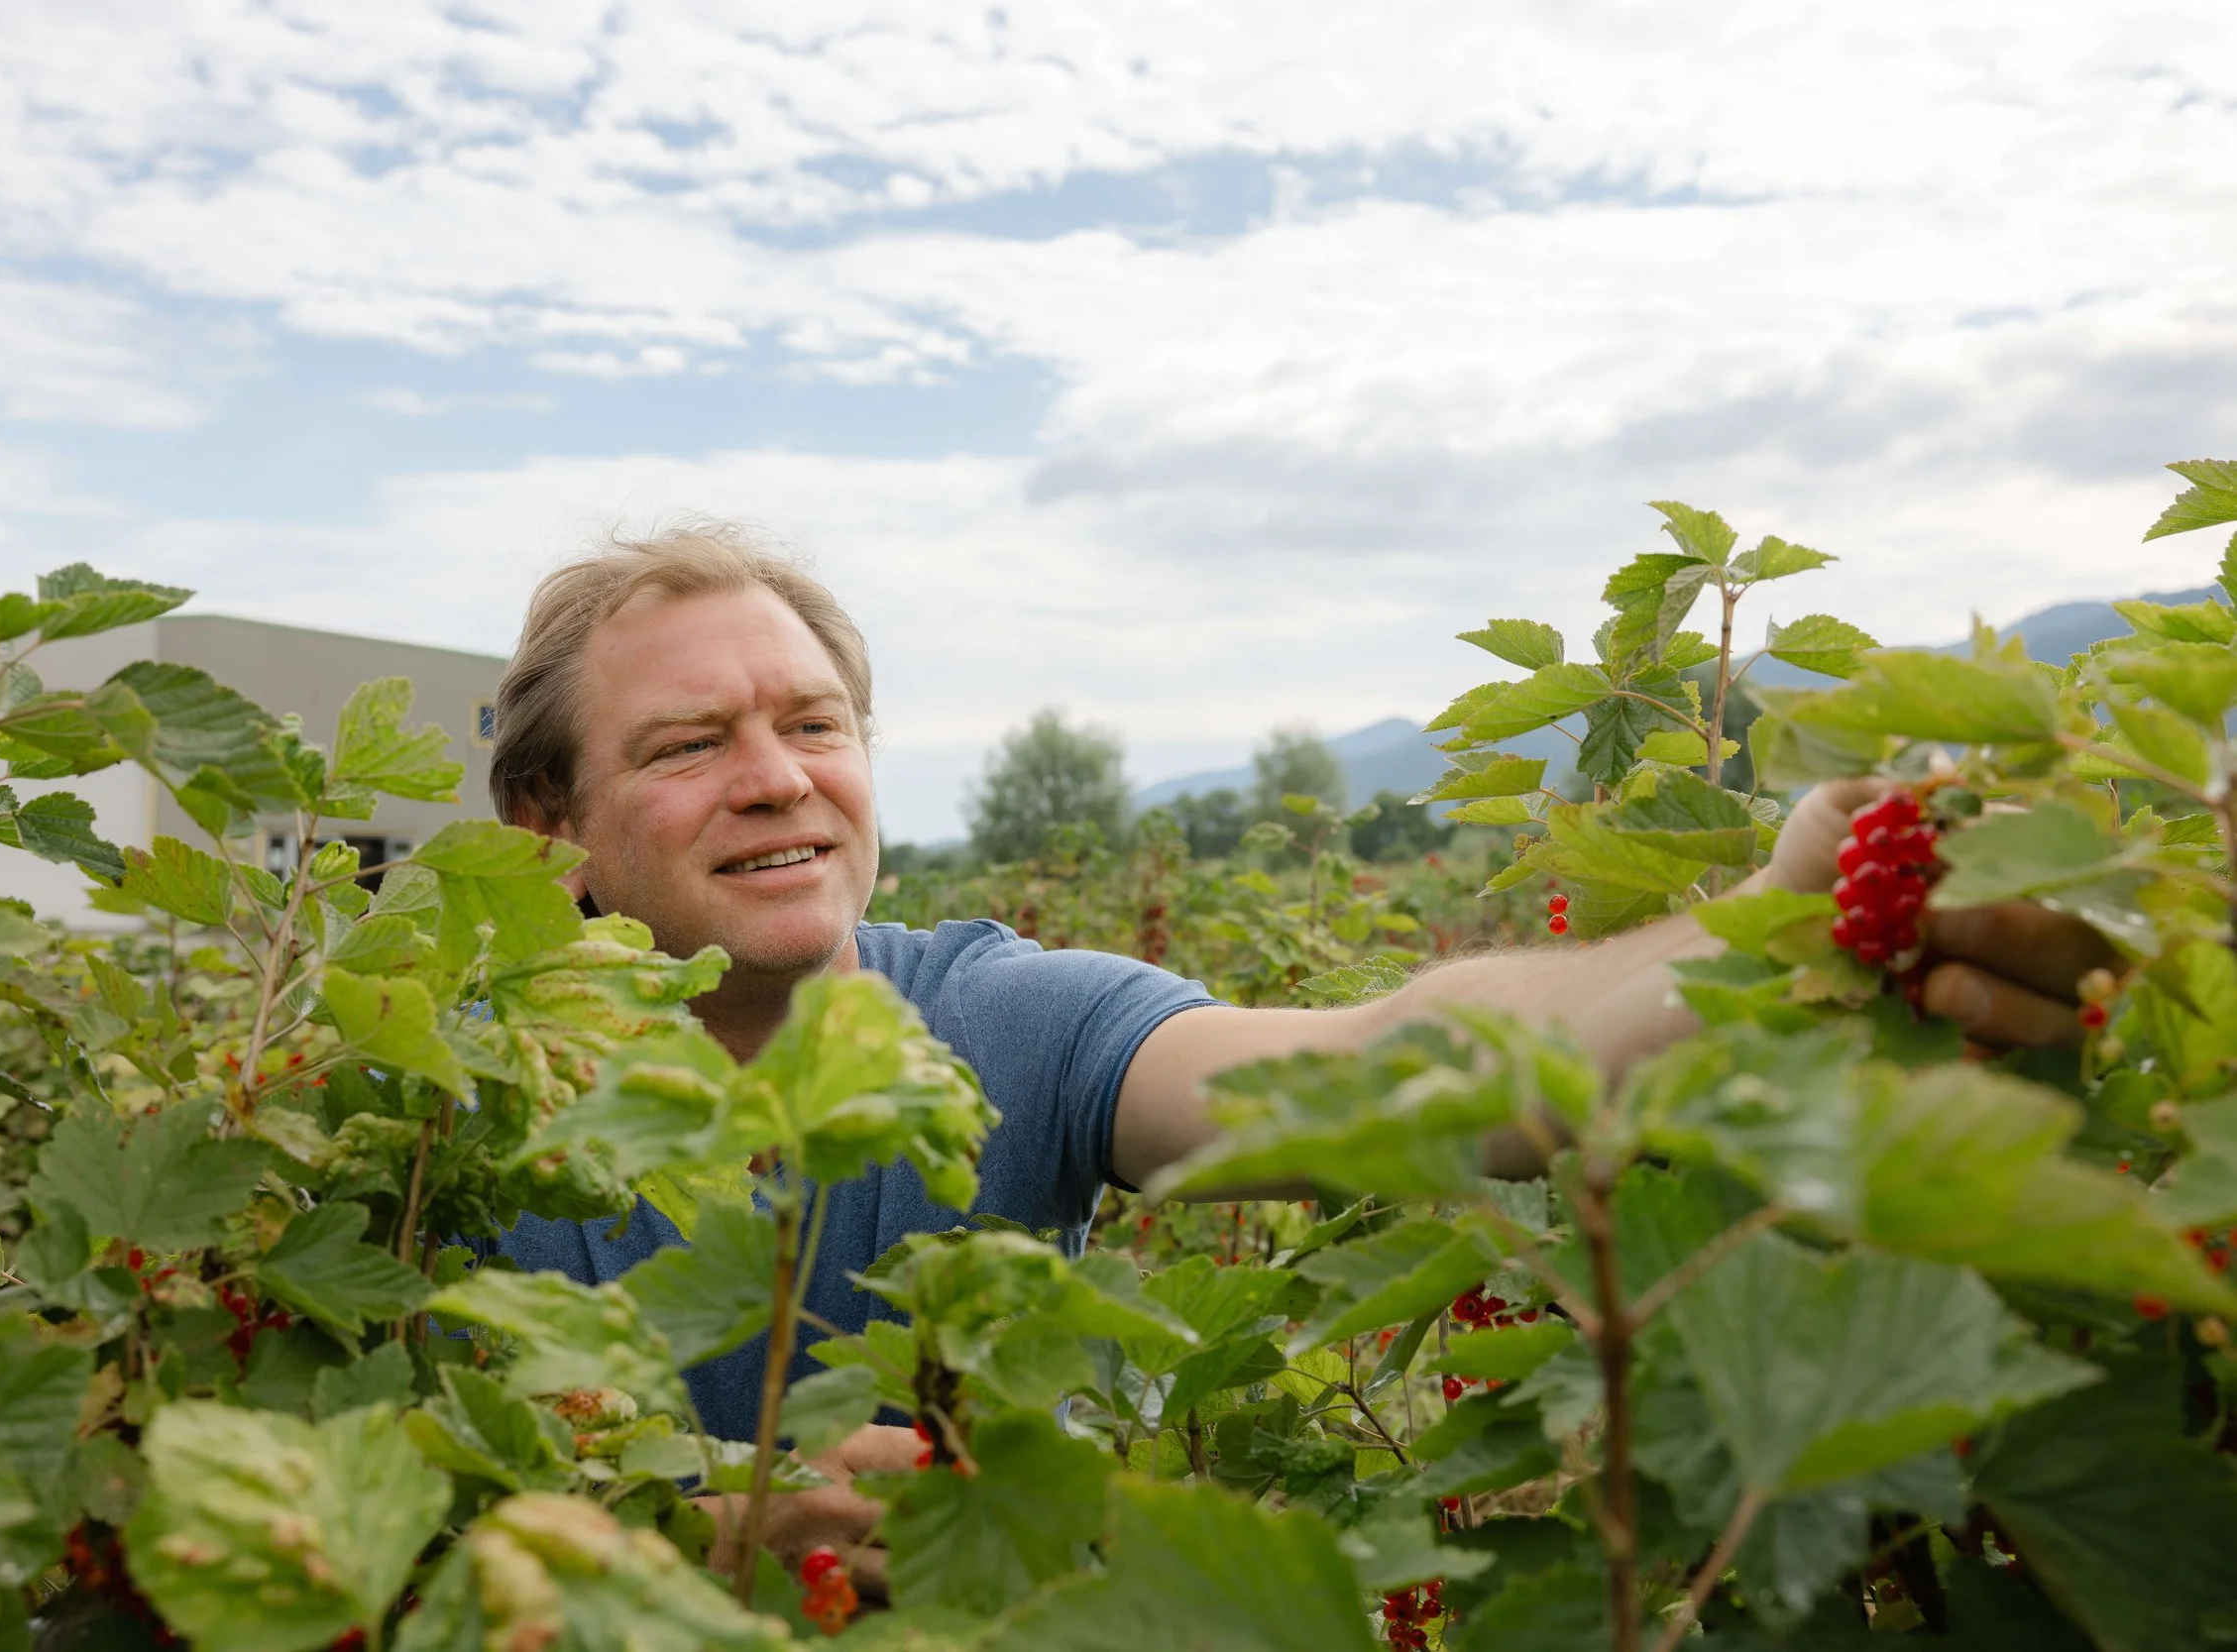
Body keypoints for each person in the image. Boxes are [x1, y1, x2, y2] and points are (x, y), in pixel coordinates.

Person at [477, 522, 2113, 1595]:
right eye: (690, 744)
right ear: (551, 821)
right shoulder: (435, 1110)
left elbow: (1398, 1063)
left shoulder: (997, 1022)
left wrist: (1786, 912)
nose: (778, 778)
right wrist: (679, 1542)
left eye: (815, 723)